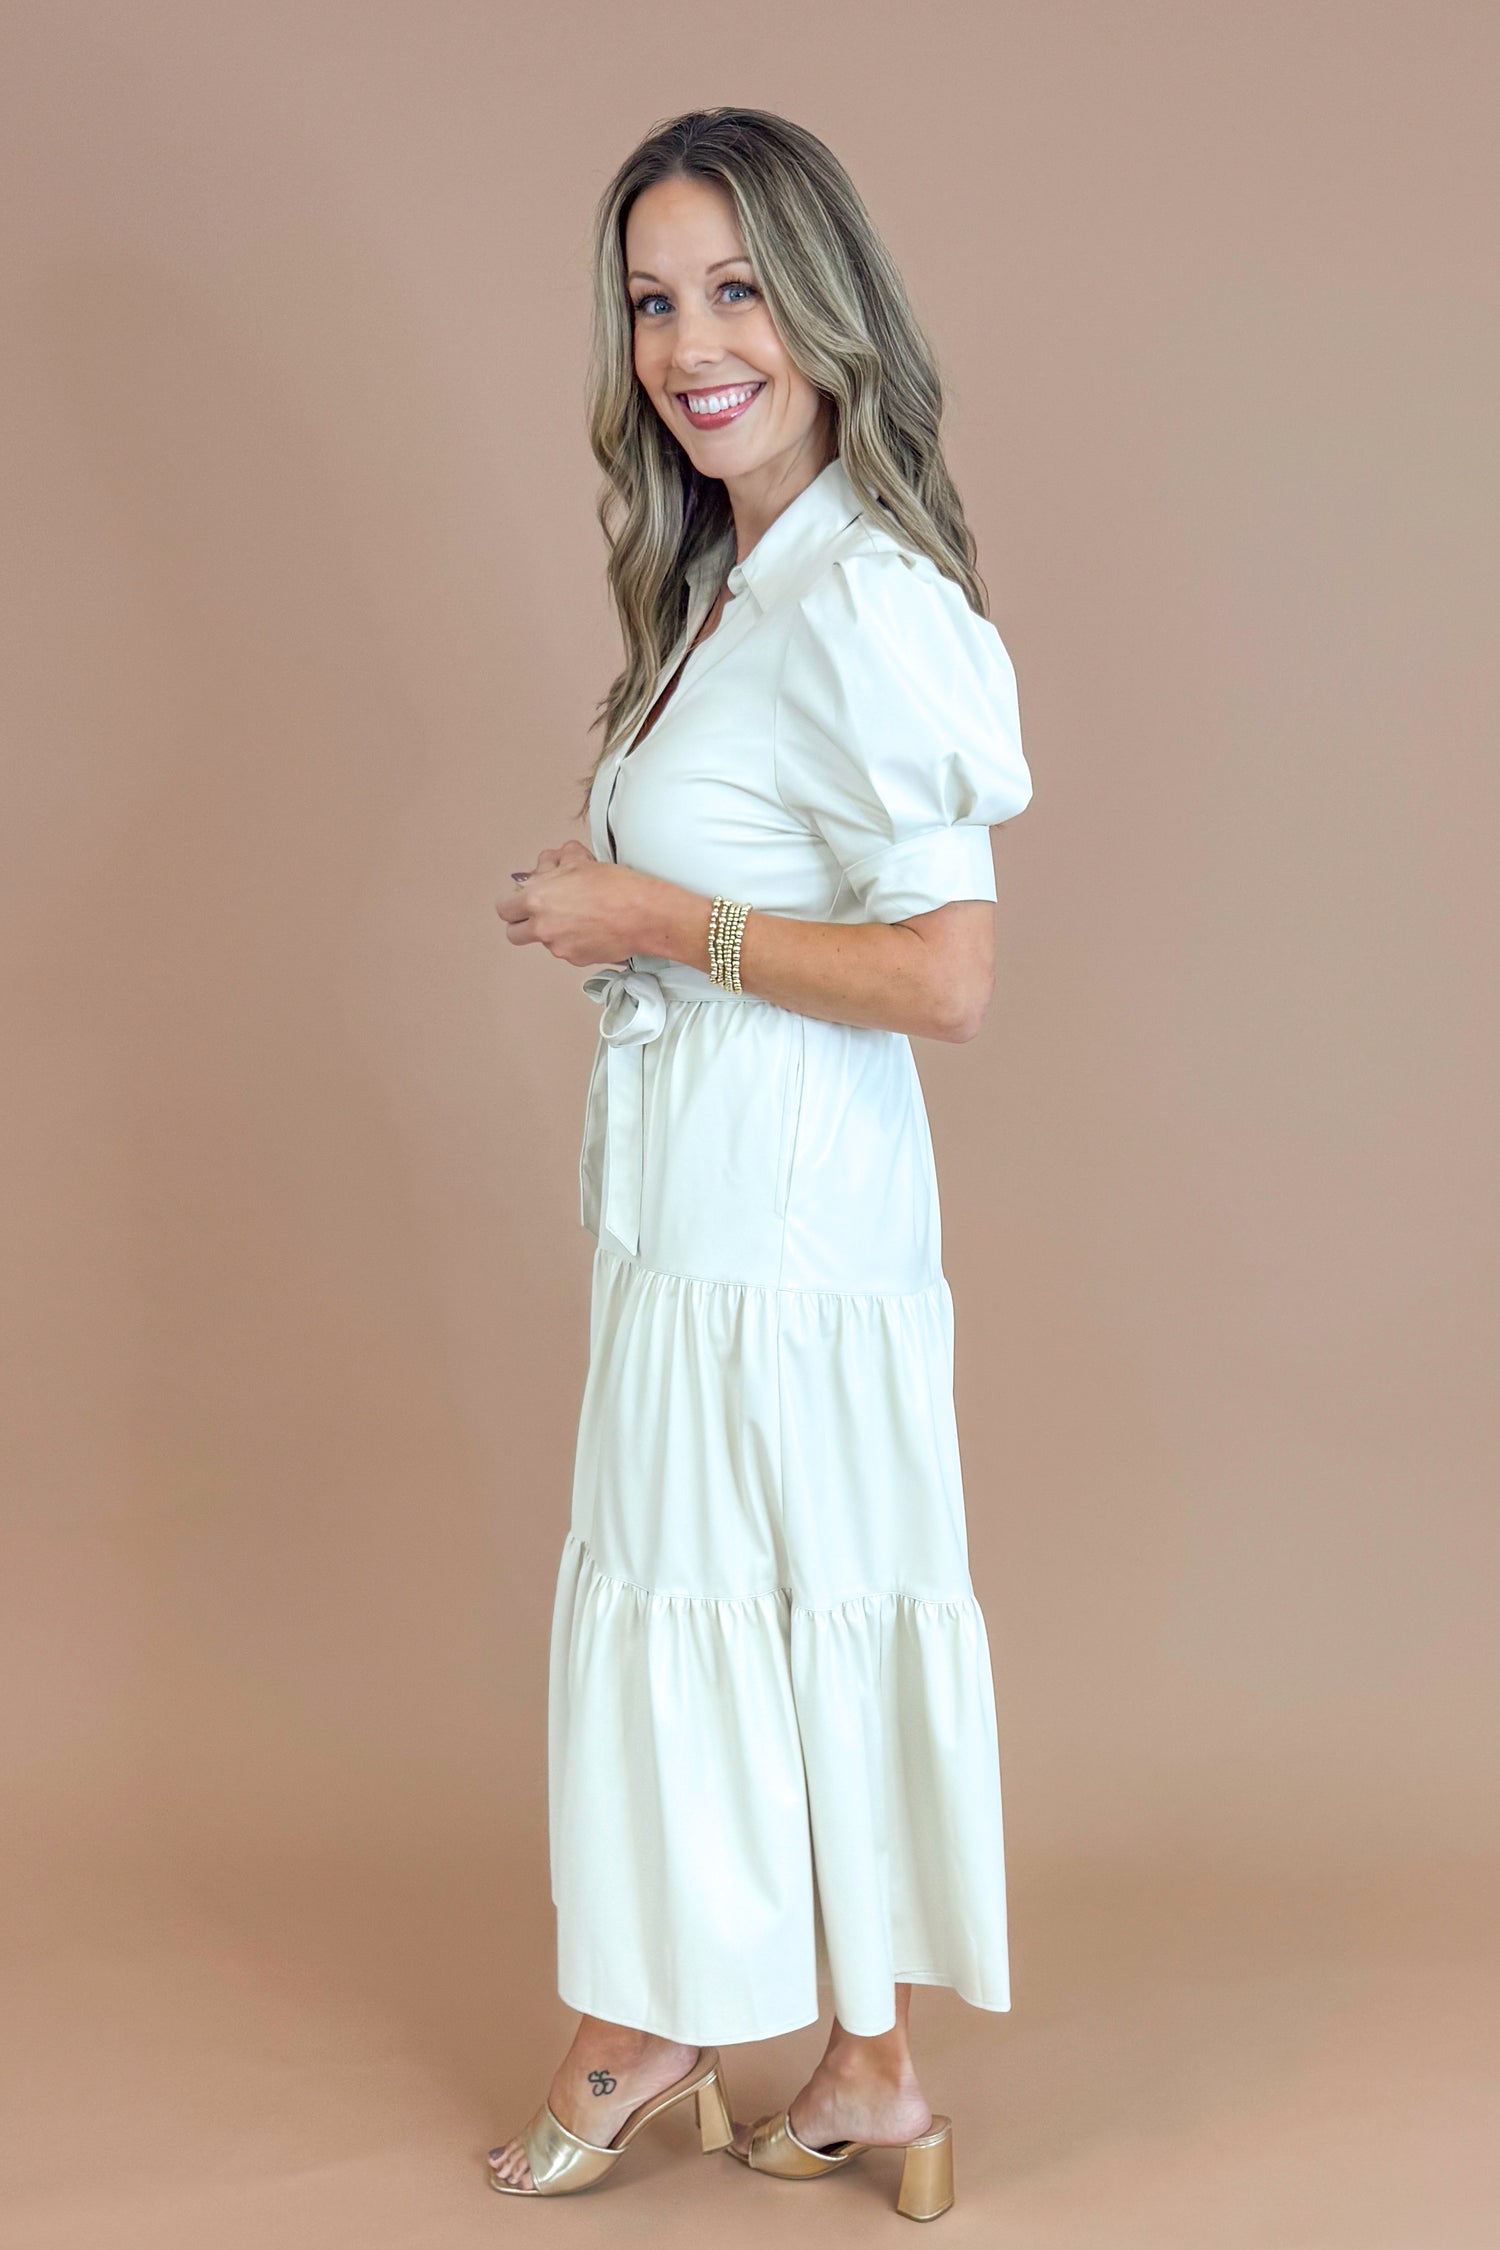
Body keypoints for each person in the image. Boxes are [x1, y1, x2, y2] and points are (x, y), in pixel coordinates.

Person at [489, 107, 1033, 2221]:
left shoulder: (871, 603)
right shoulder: (735, 580)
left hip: (791, 1234)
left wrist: (647, 922)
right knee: (760, 1602)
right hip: (702, 1210)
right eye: (652, 296)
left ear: (825, 315)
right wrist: (626, 903)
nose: (689, 340)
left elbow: (950, 975)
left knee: (748, 1600)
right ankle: (869, 2077)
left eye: (733, 289)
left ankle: (643, 2029)